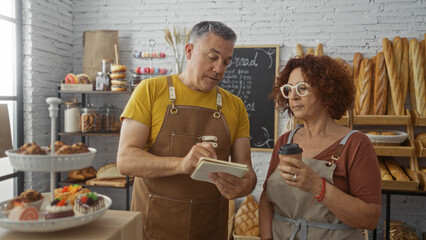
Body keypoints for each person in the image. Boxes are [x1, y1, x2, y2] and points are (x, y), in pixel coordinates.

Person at [117, 21, 256, 240]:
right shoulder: (151, 91)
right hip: (152, 230)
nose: (219, 69)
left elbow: (247, 172)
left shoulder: (235, 106)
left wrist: (244, 186)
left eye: (226, 62)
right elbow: (125, 160)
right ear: (189, 51)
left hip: (210, 231)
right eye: (212, 57)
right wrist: (181, 164)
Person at [259, 55, 381, 240]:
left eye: (302, 88)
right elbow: (267, 198)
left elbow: (370, 219)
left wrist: (318, 187)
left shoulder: (356, 144)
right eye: (289, 89)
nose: (293, 95)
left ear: (326, 91)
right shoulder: (285, 141)